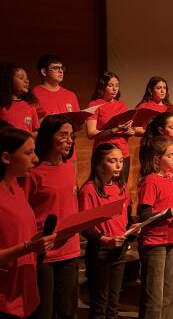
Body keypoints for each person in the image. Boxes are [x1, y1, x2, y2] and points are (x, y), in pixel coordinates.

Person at [23, 115, 79, 318]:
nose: (69, 140)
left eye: (71, 136)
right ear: (48, 137)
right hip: (44, 253)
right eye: (63, 135)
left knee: (66, 311)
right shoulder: (34, 172)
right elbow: (24, 212)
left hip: (70, 250)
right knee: (43, 312)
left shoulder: (69, 168)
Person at [0, 127, 56, 318]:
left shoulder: (16, 186)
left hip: (26, 291)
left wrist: (38, 242)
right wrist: (28, 246)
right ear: (6, 158)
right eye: (29, 153)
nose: (36, 159)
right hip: (6, 299)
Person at [137, 136, 173, 319]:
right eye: (170, 156)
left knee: (170, 293)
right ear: (156, 159)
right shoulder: (151, 181)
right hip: (155, 242)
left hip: (170, 239)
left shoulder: (167, 178)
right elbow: (145, 215)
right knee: (154, 295)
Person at [79, 143, 135, 319]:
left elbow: (127, 217)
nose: (119, 166)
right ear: (99, 163)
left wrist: (131, 230)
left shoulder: (122, 187)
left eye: (121, 161)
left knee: (114, 303)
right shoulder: (89, 189)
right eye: (112, 161)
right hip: (101, 251)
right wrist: (103, 239)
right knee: (99, 305)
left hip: (119, 249)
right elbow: (84, 225)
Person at [86, 72, 135, 184]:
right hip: (104, 154)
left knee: (121, 188)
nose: (114, 89)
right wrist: (114, 130)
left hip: (122, 152)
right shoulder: (94, 105)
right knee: (103, 187)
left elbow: (126, 130)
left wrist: (130, 131)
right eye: (110, 85)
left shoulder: (122, 105)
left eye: (117, 85)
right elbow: (91, 133)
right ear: (103, 86)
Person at [32, 54, 80, 120]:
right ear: (44, 72)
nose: (61, 71)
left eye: (62, 68)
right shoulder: (34, 94)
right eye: (55, 68)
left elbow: (78, 122)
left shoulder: (71, 95)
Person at [0, 62, 39, 134]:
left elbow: (35, 131)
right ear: (9, 80)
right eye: (21, 78)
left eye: (27, 78)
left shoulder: (30, 105)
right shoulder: (2, 106)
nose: (26, 81)